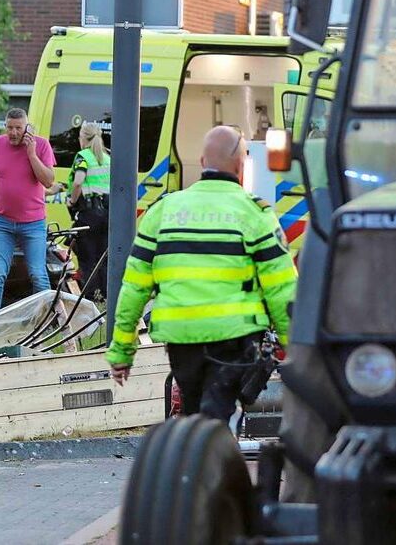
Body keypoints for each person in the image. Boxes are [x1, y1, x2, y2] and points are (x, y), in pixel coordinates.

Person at [105, 125, 297, 422]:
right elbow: (281, 289)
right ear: (241, 166)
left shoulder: (163, 211)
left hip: (181, 338)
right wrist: (294, 346)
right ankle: (210, 446)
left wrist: (121, 352)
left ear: (202, 162)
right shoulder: (255, 214)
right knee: (217, 416)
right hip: (234, 336)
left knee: (194, 411)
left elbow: (134, 288)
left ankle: (194, 445)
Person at [0, 108, 56, 315]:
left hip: (33, 223)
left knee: (38, 274)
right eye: (9, 127)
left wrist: (31, 154)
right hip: (2, 223)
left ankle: (46, 320)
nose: (13, 132)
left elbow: (48, 181)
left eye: (18, 128)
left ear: (26, 128)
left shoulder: (41, 145)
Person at [66, 122, 110, 299]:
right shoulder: (107, 158)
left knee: (87, 257)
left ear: (83, 138)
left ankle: (89, 296)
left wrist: (72, 201)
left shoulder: (82, 157)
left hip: (89, 213)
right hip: (107, 214)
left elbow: (78, 181)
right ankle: (106, 295)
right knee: (103, 256)